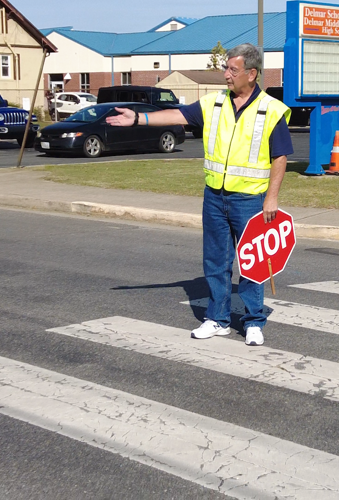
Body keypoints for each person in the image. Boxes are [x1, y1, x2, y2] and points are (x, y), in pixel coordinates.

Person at [106, 43, 293, 347]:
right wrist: (139, 119)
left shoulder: (271, 110)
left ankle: (254, 321)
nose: (226, 74)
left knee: (252, 263)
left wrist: (272, 197)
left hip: (249, 200)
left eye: (232, 69)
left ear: (251, 73)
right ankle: (217, 319)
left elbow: (280, 157)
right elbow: (176, 115)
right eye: (226, 68)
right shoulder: (214, 103)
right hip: (215, 198)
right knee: (216, 261)